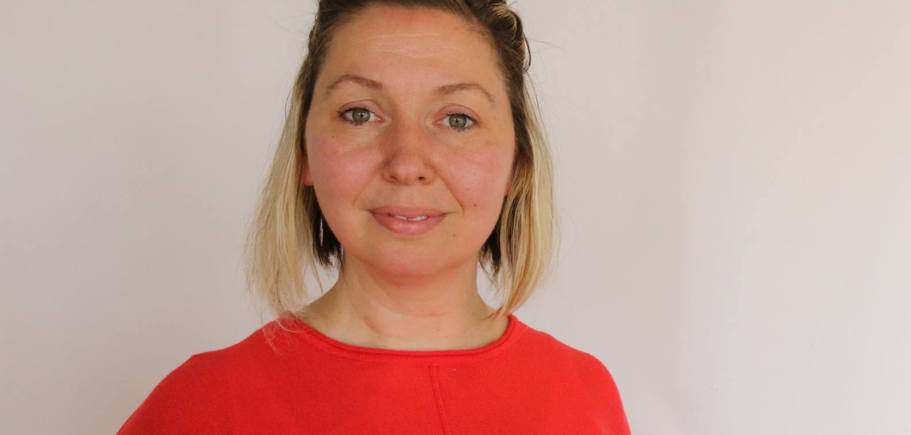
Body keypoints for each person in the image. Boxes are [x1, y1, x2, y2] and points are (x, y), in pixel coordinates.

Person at [117, 1, 631, 433]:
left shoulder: (584, 398)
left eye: (458, 119)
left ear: (518, 164)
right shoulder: (198, 408)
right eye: (360, 113)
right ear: (303, 154)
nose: (406, 162)